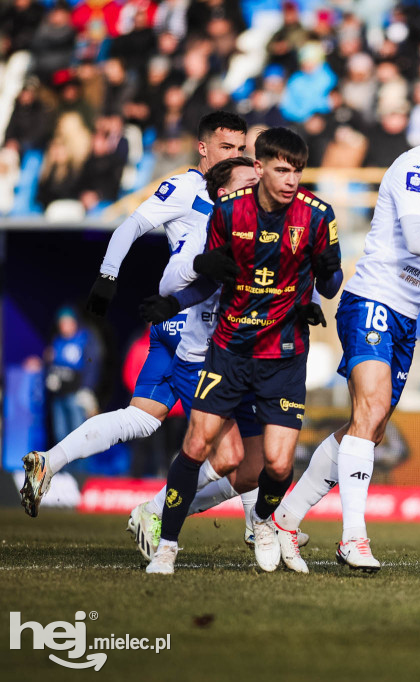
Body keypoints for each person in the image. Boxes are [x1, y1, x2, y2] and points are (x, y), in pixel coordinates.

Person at [271, 90, 420, 574]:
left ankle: (284, 518)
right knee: (371, 410)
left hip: (406, 317)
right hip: (373, 300)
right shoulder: (414, 168)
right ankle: (353, 538)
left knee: (366, 429)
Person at [19, 111, 247, 518]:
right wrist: (107, 278)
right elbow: (129, 227)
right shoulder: (187, 187)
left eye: (240, 149)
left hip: (173, 322)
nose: (234, 155)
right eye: (226, 147)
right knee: (234, 452)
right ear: (203, 148)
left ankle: (48, 461)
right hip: (196, 324)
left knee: (141, 419)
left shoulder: (237, 191)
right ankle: (168, 515)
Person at [145, 127, 343, 575]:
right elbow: (212, 280)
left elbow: (330, 286)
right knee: (196, 445)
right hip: (229, 351)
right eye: (281, 170)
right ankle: (167, 548)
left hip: (285, 355)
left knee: (277, 464)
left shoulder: (316, 216)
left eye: (297, 171)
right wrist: (172, 302)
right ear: (259, 167)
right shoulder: (229, 213)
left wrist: (328, 272)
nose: (291, 180)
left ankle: (261, 521)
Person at [126, 156, 308, 561]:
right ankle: (166, 526)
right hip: (206, 358)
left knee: (249, 471)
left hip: (254, 359)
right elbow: (171, 282)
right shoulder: (209, 228)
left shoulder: (272, 226)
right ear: (224, 193)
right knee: (224, 455)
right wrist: (201, 265)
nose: (259, 184)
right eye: (249, 179)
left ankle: (161, 510)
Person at [45, 307, 103, 443]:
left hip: (76, 394)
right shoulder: (58, 341)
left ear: (74, 322)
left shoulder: (84, 339)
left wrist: (87, 388)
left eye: (66, 322)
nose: (63, 326)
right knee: (61, 435)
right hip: (59, 394)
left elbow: (92, 363)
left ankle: (81, 465)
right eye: (61, 323)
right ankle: (66, 465)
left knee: (80, 434)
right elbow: (53, 362)